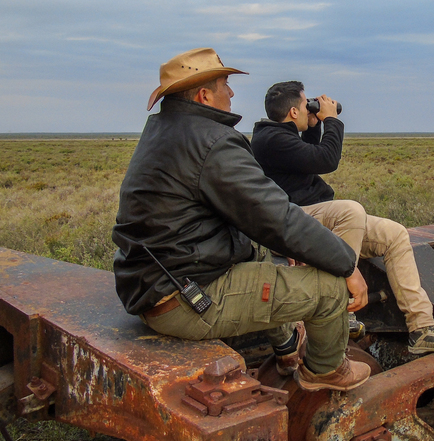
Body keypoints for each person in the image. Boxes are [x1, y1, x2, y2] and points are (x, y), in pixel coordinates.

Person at [112, 48, 371, 392]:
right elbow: (276, 216)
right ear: (204, 95)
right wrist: (346, 265)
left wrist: (287, 246)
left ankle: (287, 346)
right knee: (331, 288)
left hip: (154, 281)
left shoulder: (163, 132)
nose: (231, 93)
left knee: (260, 252)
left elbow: (249, 213)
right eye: (224, 84)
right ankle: (324, 372)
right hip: (185, 298)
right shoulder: (212, 142)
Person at [251, 80, 434, 355]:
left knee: (394, 233)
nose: (309, 109)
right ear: (293, 112)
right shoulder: (270, 139)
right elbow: (326, 160)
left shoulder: (280, 137)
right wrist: (332, 121)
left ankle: (421, 328)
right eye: (306, 105)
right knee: (350, 210)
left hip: (314, 216)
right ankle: (341, 308)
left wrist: (314, 126)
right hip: (294, 220)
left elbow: (308, 159)